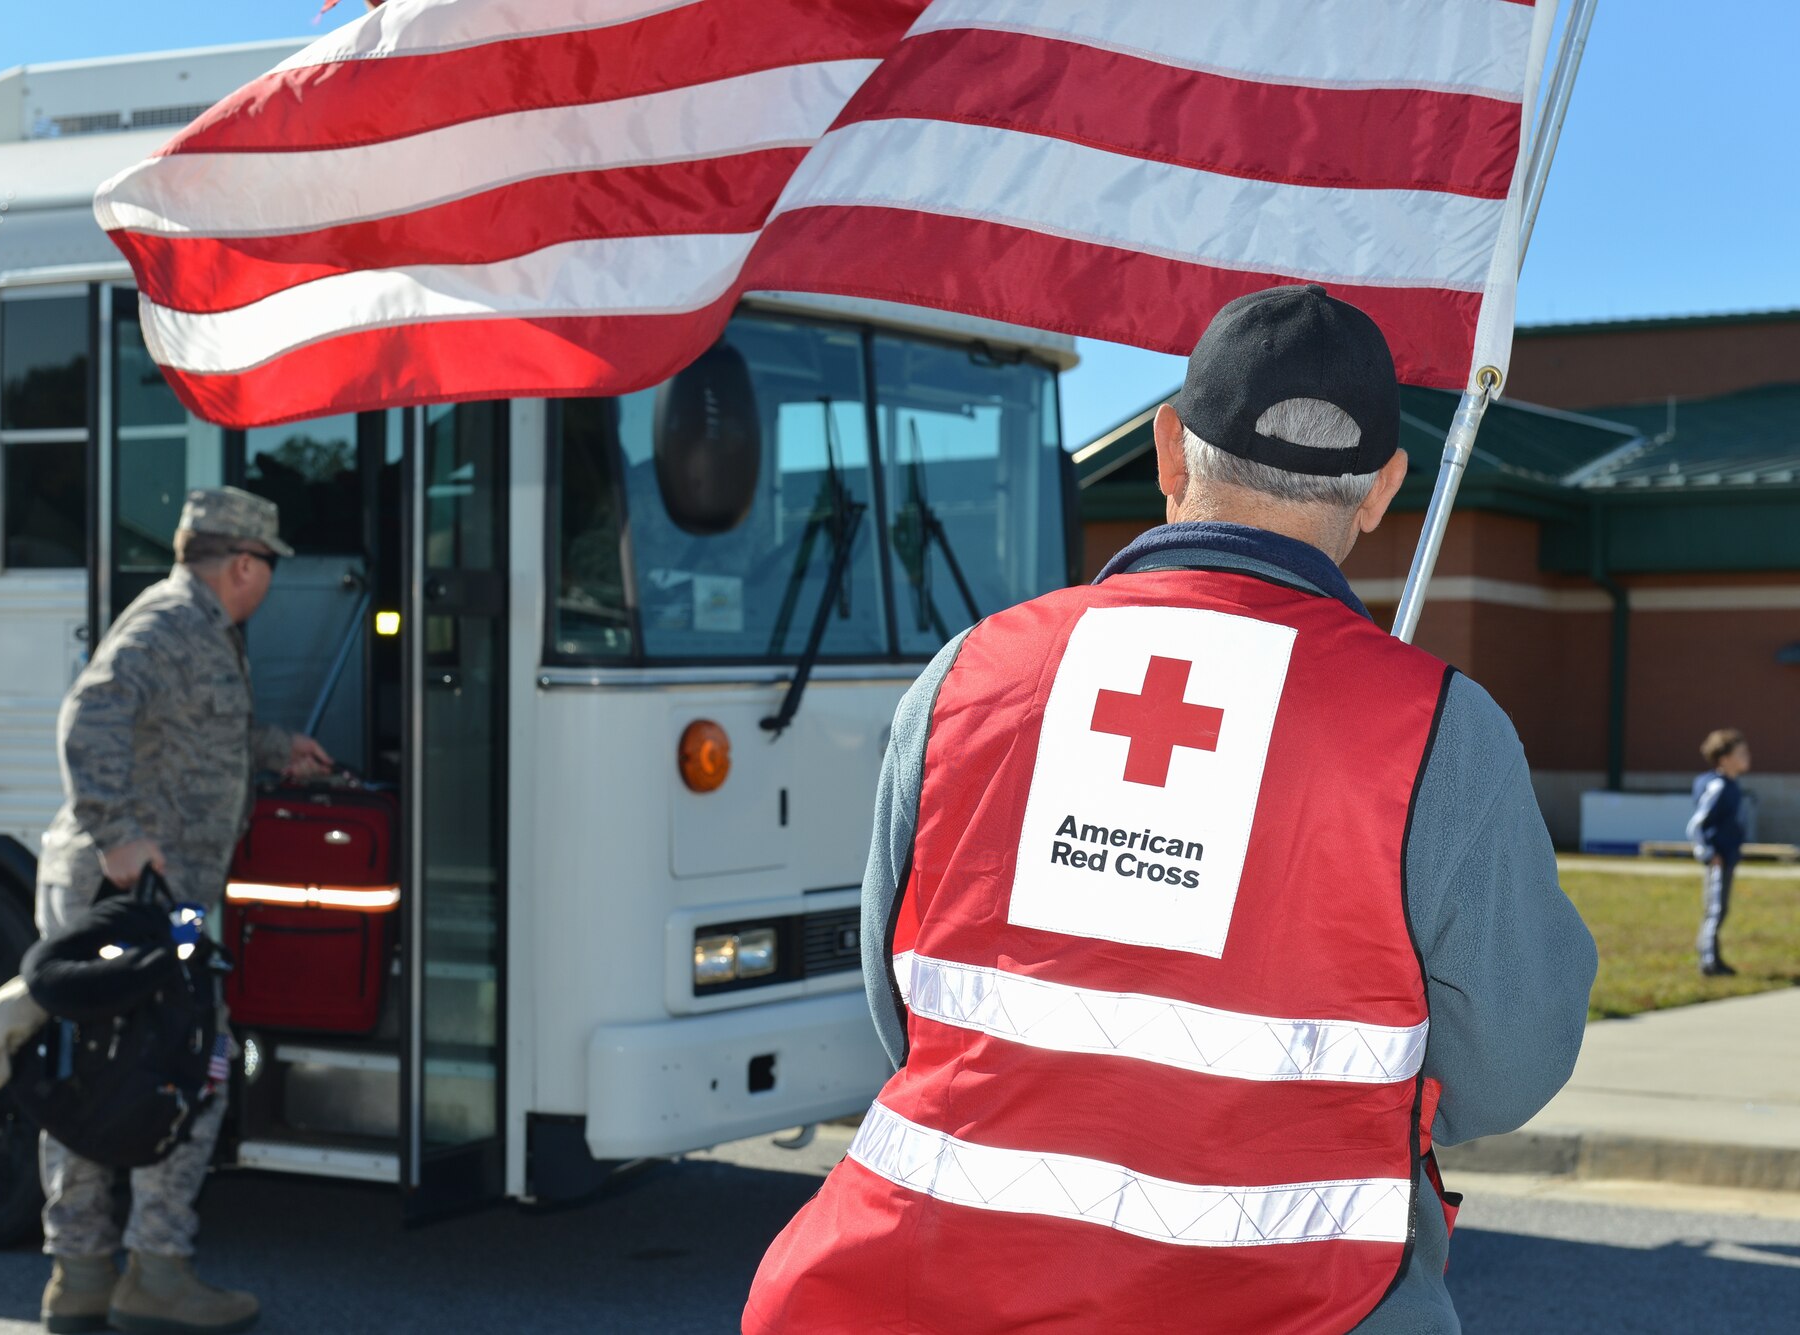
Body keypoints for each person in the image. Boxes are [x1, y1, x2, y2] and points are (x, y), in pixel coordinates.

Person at [744, 286, 1597, 1335]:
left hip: (911, 1294)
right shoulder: (1439, 733)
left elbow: (903, 1004)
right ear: (1379, 490)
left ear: (1165, 449)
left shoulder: (968, 675)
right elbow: (1506, 1067)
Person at [35, 486, 332, 1335]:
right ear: (243, 564)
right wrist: (120, 834)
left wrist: (279, 750)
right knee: (192, 1052)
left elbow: (193, 732)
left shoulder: (201, 628)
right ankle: (151, 1272)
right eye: (268, 566)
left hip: (159, 899)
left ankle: (86, 1275)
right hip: (133, 898)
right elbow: (86, 719)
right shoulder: (170, 622)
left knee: (103, 1064)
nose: (269, 582)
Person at [1689, 728, 1751, 977]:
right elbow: (1697, 823)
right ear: (1724, 759)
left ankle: (1709, 952)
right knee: (1715, 908)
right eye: (1741, 753)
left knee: (1720, 908)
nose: (1747, 756)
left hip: (1727, 856)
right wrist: (1707, 852)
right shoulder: (1717, 786)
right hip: (1717, 858)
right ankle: (1709, 962)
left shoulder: (1731, 785)